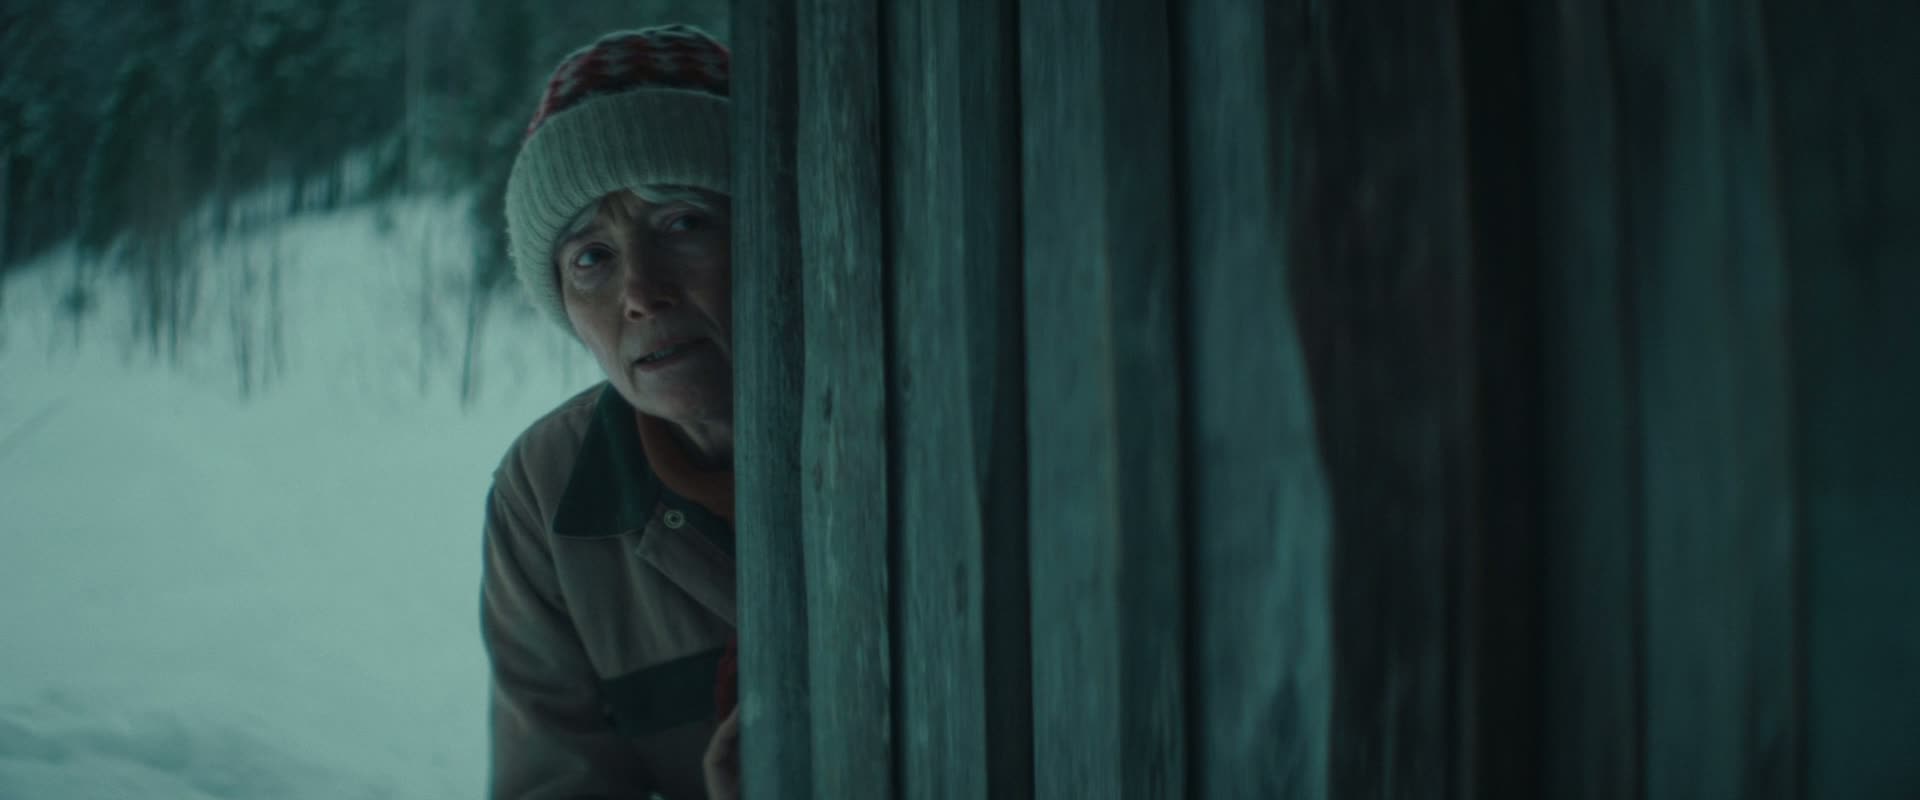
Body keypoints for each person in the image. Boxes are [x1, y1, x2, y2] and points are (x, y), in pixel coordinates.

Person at [481, 24, 741, 800]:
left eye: (682, 223)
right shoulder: (549, 492)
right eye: (592, 257)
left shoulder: (906, 421)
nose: (640, 294)